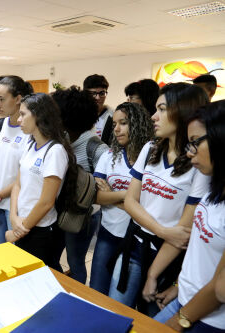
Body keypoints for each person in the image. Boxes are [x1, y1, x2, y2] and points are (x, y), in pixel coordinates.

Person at [108, 83, 209, 316]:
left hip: (168, 256)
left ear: (183, 112)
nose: (154, 117)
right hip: (135, 243)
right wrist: (162, 230)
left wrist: (153, 273)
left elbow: (182, 230)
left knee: (150, 319)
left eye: (162, 109)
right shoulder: (151, 149)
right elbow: (131, 201)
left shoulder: (197, 162)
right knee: (116, 312)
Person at [149, 101, 225, 332]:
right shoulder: (215, 185)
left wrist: (180, 319)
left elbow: (220, 288)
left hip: (207, 320)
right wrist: (179, 286)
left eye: (195, 143)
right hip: (185, 302)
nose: (189, 152)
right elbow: (201, 250)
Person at [5, 93, 75, 270]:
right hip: (23, 224)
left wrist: (18, 232)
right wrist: (13, 217)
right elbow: (18, 184)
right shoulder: (30, 144)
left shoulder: (55, 151)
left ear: (38, 115)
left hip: (40, 230)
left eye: (23, 114)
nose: (19, 119)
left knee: (39, 278)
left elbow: (46, 202)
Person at [90, 102, 154, 295]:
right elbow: (97, 197)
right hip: (109, 232)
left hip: (138, 239)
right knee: (97, 291)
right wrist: (130, 197)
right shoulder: (109, 156)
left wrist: (112, 195)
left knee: (122, 298)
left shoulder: (152, 159)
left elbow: (151, 205)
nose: (116, 129)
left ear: (138, 124)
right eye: (115, 123)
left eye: (123, 123)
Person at [52, 86, 109, 284]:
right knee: (53, 257)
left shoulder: (97, 148)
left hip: (83, 215)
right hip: (60, 209)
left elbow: (104, 187)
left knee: (75, 261)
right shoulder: (63, 140)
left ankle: (77, 294)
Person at [0, 76, 31, 245]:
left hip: (14, 206)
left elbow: (24, 175)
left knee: (16, 257)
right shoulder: (2, 124)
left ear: (18, 99)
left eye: (2, 99)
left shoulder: (29, 131)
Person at [83, 74, 113, 145]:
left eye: (102, 93)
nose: (98, 98)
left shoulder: (112, 116)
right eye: (93, 93)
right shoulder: (79, 116)